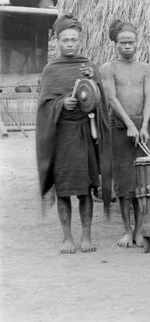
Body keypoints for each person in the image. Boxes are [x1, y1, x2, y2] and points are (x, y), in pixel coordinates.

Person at [36, 15, 112, 254]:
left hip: (84, 135)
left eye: (74, 39)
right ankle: (67, 238)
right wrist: (61, 104)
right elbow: (43, 105)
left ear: (80, 41)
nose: (70, 44)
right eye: (65, 40)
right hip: (61, 138)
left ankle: (87, 236)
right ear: (57, 41)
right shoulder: (51, 70)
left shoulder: (89, 67)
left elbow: (102, 101)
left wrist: (92, 85)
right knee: (64, 189)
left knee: (85, 188)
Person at [100, 20, 150, 248]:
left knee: (141, 183)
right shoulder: (108, 68)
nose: (127, 46)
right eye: (123, 43)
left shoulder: (145, 68)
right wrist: (130, 124)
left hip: (141, 130)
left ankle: (140, 230)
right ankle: (127, 230)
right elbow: (111, 98)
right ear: (116, 44)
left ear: (136, 43)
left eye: (131, 42)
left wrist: (144, 126)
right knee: (124, 184)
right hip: (120, 129)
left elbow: (149, 97)